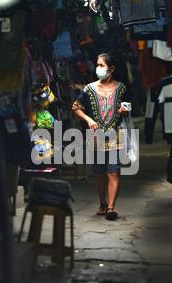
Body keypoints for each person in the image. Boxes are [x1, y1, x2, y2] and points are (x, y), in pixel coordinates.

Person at [72, 53, 131, 221]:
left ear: (111, 69)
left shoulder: (122, 88)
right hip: (95, 137)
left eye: (101, 65)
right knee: (98, 173)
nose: (98, 68)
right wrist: (89, 119)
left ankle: (111, 207)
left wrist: (125, 110)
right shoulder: (88, 89)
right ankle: (103, 203)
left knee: (113, 172)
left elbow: (128, 106)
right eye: (97, 65)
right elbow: (76, 107)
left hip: (115, 134)